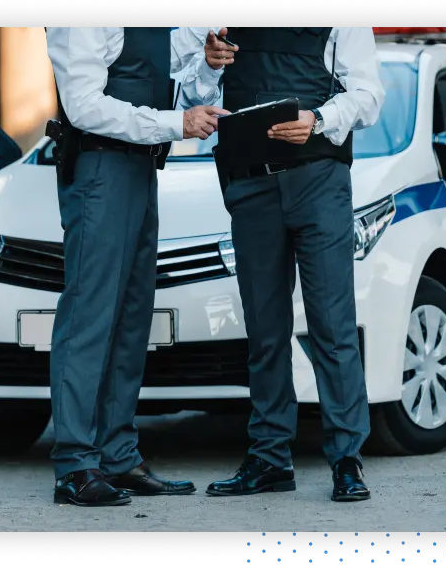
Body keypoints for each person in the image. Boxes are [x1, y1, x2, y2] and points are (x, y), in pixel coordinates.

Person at [190, 27, 385, 501]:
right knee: (264, 327)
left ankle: (345, 459)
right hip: (250, 184)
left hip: (317, 180)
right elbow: (194, 95)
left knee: (331, 324)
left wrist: (317, 118)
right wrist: (209, 65)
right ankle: (270, 457)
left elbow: (369, 96)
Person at [45, 26, 234, 507]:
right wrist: (176, 124)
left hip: (139, 169)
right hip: (99, 170)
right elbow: (84, 104)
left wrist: (208, 62)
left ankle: (118, 456)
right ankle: (75, 465)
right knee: (89, 317)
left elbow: (168, 76)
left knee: (131, 319)